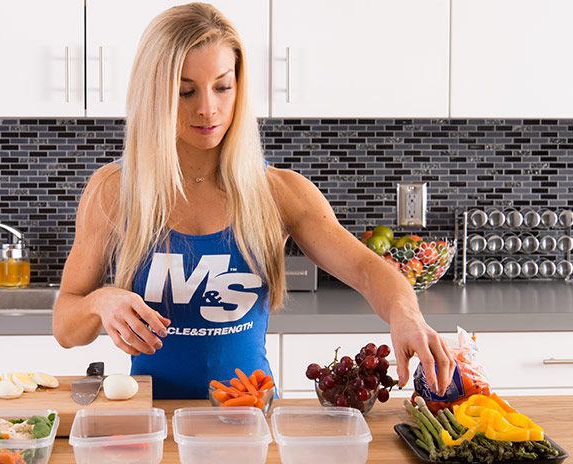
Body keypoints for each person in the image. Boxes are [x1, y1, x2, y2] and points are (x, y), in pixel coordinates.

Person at [53, 2, 454, 399]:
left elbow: (368, 270)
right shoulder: (114, 190)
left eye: (223, 86)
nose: (208, 108)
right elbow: (65, 327)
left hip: (252, 420)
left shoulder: (279, 192)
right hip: (155, 423)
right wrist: (100, 302)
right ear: (154, 94)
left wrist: (407, 314)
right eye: (185, 91)